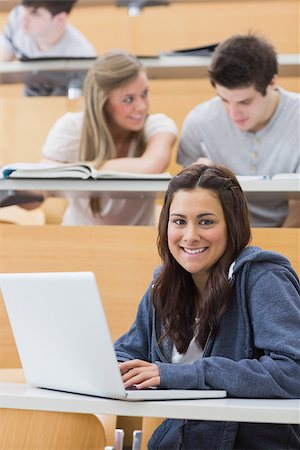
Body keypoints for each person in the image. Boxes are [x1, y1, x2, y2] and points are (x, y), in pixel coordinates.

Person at [114, 163, 300, 449]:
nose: (190, 236)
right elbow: (129, 352)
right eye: (178, 222)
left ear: (232, 225)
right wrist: (104, 368)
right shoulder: (164, 285)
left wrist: (181, 375)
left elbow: (293, 372)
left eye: (206, 222)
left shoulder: (264, 277)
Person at [41, 49, 177, 225]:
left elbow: (150, 166)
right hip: (78, 239)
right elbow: (43, 177)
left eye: (144, 93)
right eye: (128, 99)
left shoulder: (158, 125)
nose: (142, 106)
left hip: (137, 241)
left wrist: (77, 170)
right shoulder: (72, 127)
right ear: (103, 103)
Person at [177, 34, 300, 228]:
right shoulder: (199, 122)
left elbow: (298, 210)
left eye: (245, 102)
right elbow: (187, 204)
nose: (233, 113)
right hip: (222, 237)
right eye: (224, 100)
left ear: (272, 83)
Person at [0, 0, 96, 95]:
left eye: (35, 13)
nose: (23, 18)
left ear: (60, 19)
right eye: (24, 8)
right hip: (28, 104)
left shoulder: (81, 56)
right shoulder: (16, 19)